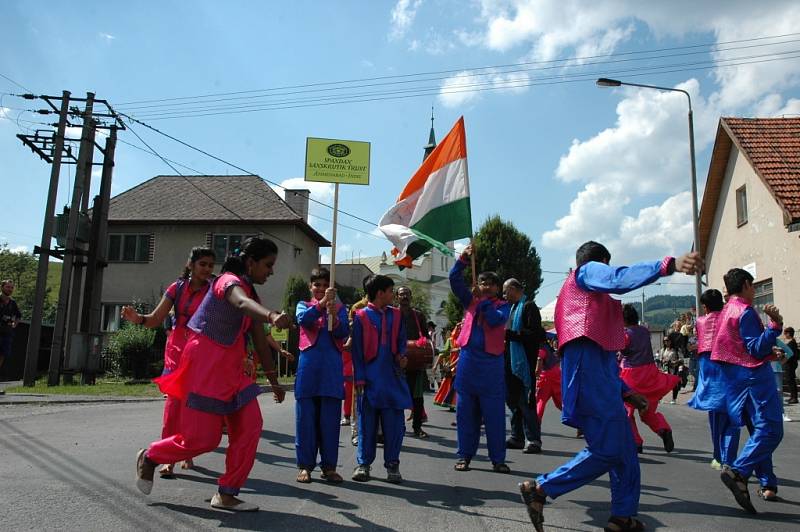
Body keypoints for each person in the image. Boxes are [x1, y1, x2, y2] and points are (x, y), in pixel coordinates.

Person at [518, 241, 702, 532]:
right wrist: (667, 265)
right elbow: (617, 278)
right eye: (607, 264)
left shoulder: (588, 303)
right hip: (588, 374)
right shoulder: (587, 272)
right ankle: (540, 488)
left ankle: (622, 517)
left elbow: (602, 357)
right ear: (601, 261)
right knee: (607, 450)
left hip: (599, 375)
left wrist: (625, 391)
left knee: (625, 451)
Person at [135, 237, 291, 512]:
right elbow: (240, 303)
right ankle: (151, 456)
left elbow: (256, 336)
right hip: (205, 364)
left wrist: (274, 380)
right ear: (250, 262)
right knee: (203, 440)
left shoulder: (252, 294)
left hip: (233, 370)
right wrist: (271, 315)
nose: (271, 271)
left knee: (251, 426)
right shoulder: (226, 282)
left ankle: (227, 493)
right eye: (268, 265)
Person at [122, 246, 216, 477]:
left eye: (210, 265)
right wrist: (138, 319)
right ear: (191, 265)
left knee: (191, 408)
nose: (207, 269)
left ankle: (186, 452)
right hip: (176, 352)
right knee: (173, 409)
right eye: (202, 264)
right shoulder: (177, 288)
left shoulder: (215, 291)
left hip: (200, 354)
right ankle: (167, 458)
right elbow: (155, 319)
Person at [713, 268, 784, 513]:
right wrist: (775, 327)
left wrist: (768, 352)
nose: (754, 290)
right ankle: (739, 472)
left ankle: (767, 483)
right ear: (745, 284)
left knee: (759, 431)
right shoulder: (745, 311)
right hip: (755, 378)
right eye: (753, 286)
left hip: (735, 379)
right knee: (771, 429)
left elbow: (738, 347)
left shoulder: (725, 312)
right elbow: (754, 348)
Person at [450, 244, 512, 474]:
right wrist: (463, 259)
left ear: (497, 288)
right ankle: (464, 456)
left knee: (494, 415)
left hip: (491, 366)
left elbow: (495, 320)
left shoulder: (504, 307)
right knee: (465, 414)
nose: (485, 286)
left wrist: (482, 300)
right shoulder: (470, 301)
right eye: (483, 282)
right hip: (467, 363)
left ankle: (498, 459)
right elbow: (454, 279)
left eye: (490, 284)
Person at [350, 274, 411, 483]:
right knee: (367, 424)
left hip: (392, 378)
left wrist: (402, 355)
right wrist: (359, 379)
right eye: (390, 291)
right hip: (370, 379)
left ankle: (392, 465)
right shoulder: (361, 317)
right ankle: (363, 464)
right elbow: (356, 353)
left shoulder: (397, 315)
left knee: (394, 425)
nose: (393, 295)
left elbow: (402, 340)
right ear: (380, 293)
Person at [294, 267, 350, 484]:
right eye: (316, 285)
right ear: (311, 287)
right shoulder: (303, 305)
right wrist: (321, 305)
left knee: (330, 422)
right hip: (308, 370)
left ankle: (329, 467)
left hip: (331, 371)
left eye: (324, 285)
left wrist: (334, 316)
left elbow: (343, 332)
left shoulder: (340, 309)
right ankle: (304, 466)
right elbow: (304, 320)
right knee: (305, 420)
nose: (320, 289)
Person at [619, 304, 680, 454]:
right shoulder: (644, 331)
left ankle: (635, 441)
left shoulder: (625, 334)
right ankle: (663, 429)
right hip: (650, 373)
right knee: (646, 411)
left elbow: (621, 349)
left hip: (631, 374)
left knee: (625, 411)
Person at [687, 289, 737, 470]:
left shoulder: (700, 322)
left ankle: (718, 456)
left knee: (715, 418)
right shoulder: (729, 317)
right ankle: (728, 459)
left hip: (708, 369)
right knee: (732, 419)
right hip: (729, 369)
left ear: (705, 306)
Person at [503, 278, 545, 454]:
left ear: (514, 288)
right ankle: (517, 437)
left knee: (526, 402)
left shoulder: (529, 306)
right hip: (510, 362)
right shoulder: (512, 308)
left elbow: (535, 334)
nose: (504, 296)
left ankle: (533, 439)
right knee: (513, 401)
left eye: (506, 292)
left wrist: (511, 334)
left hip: (524, 362)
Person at [396, 285, 431, 438]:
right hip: (396, 362)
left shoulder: (418, 315)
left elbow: (425, 337)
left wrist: (423, 344)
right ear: (397, 297)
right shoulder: (392, 314)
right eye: (401, 294)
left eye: (407, 294)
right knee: (396, 396)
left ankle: (417, 428)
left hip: (415, 363)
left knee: (417, 398)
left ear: (411, 297)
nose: (404, 297)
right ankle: (398, 427)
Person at [433, 321, 461, 412]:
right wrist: (435, 365)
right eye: (458, 328)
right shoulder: (450, 341)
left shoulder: (465, 340)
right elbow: (443, 354)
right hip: (452, 369)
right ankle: (451, 404)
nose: (459, 330)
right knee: (449, 385)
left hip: (462, 367)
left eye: (461, 328)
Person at [534, 336, 562, 423]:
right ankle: (578, 422)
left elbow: (539, 362)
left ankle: (535, 424)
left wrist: (535, 375)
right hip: (556, 374)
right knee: (560, 402)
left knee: (540, 400)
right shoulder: (547, 347)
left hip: (546, 376)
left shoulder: (540, 348)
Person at [0, 280, 21, 388]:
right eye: (8, 287)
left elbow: (18, 316)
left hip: (7, 332)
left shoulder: (13, 303)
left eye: (11, 287)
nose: (10, 289)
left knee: (3, 354)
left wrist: (14, 324)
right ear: (2, 287)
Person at [783, 327, 798, 404]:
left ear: (788, 333)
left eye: (785, 333)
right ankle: (792, 397)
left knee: (791, 380)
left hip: (790, 364)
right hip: (790, 364)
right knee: (790, 380)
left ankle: (794, 398)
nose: (784, 335)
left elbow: (790, 354)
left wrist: (783, 360)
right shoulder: (791, 342)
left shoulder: (791, 342)